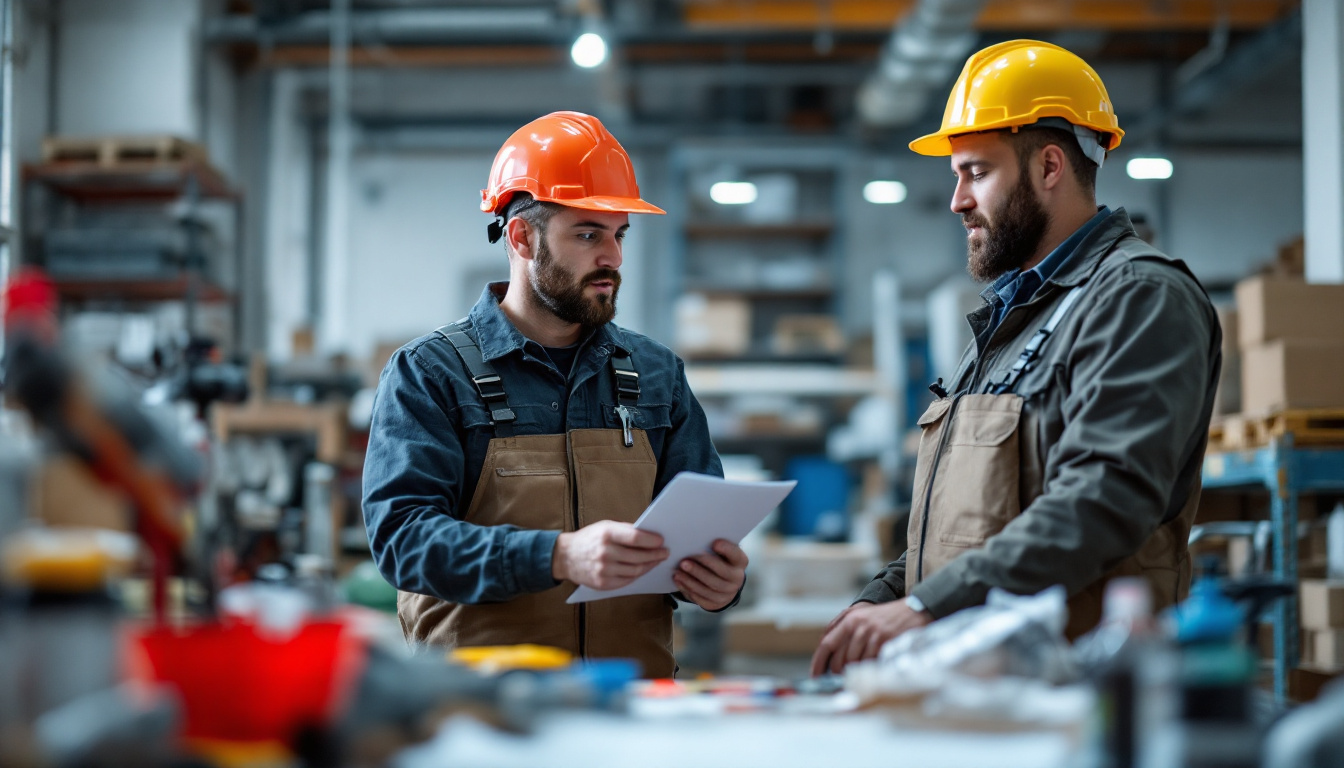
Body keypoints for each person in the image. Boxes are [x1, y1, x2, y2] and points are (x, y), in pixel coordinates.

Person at [812, 40, 1220, 675]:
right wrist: (879, 601)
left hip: (1079, 690)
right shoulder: (1010, 316)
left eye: (976, 172)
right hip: (976, 684)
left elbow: (1102, 499)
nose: (957, 200)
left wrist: (924, 606)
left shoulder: (1137, 297)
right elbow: (956, 523)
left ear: (1050, 166)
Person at [363, 111, 746, 678]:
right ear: (521, 237)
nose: (612, 258)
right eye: (588, 233)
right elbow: (405, 541)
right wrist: (557, 556)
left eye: (619, 235)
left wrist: (721, 585)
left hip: (632, 709)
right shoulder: (431, 373)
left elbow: (700, 534)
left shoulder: (657, 374)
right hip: (484, 717)